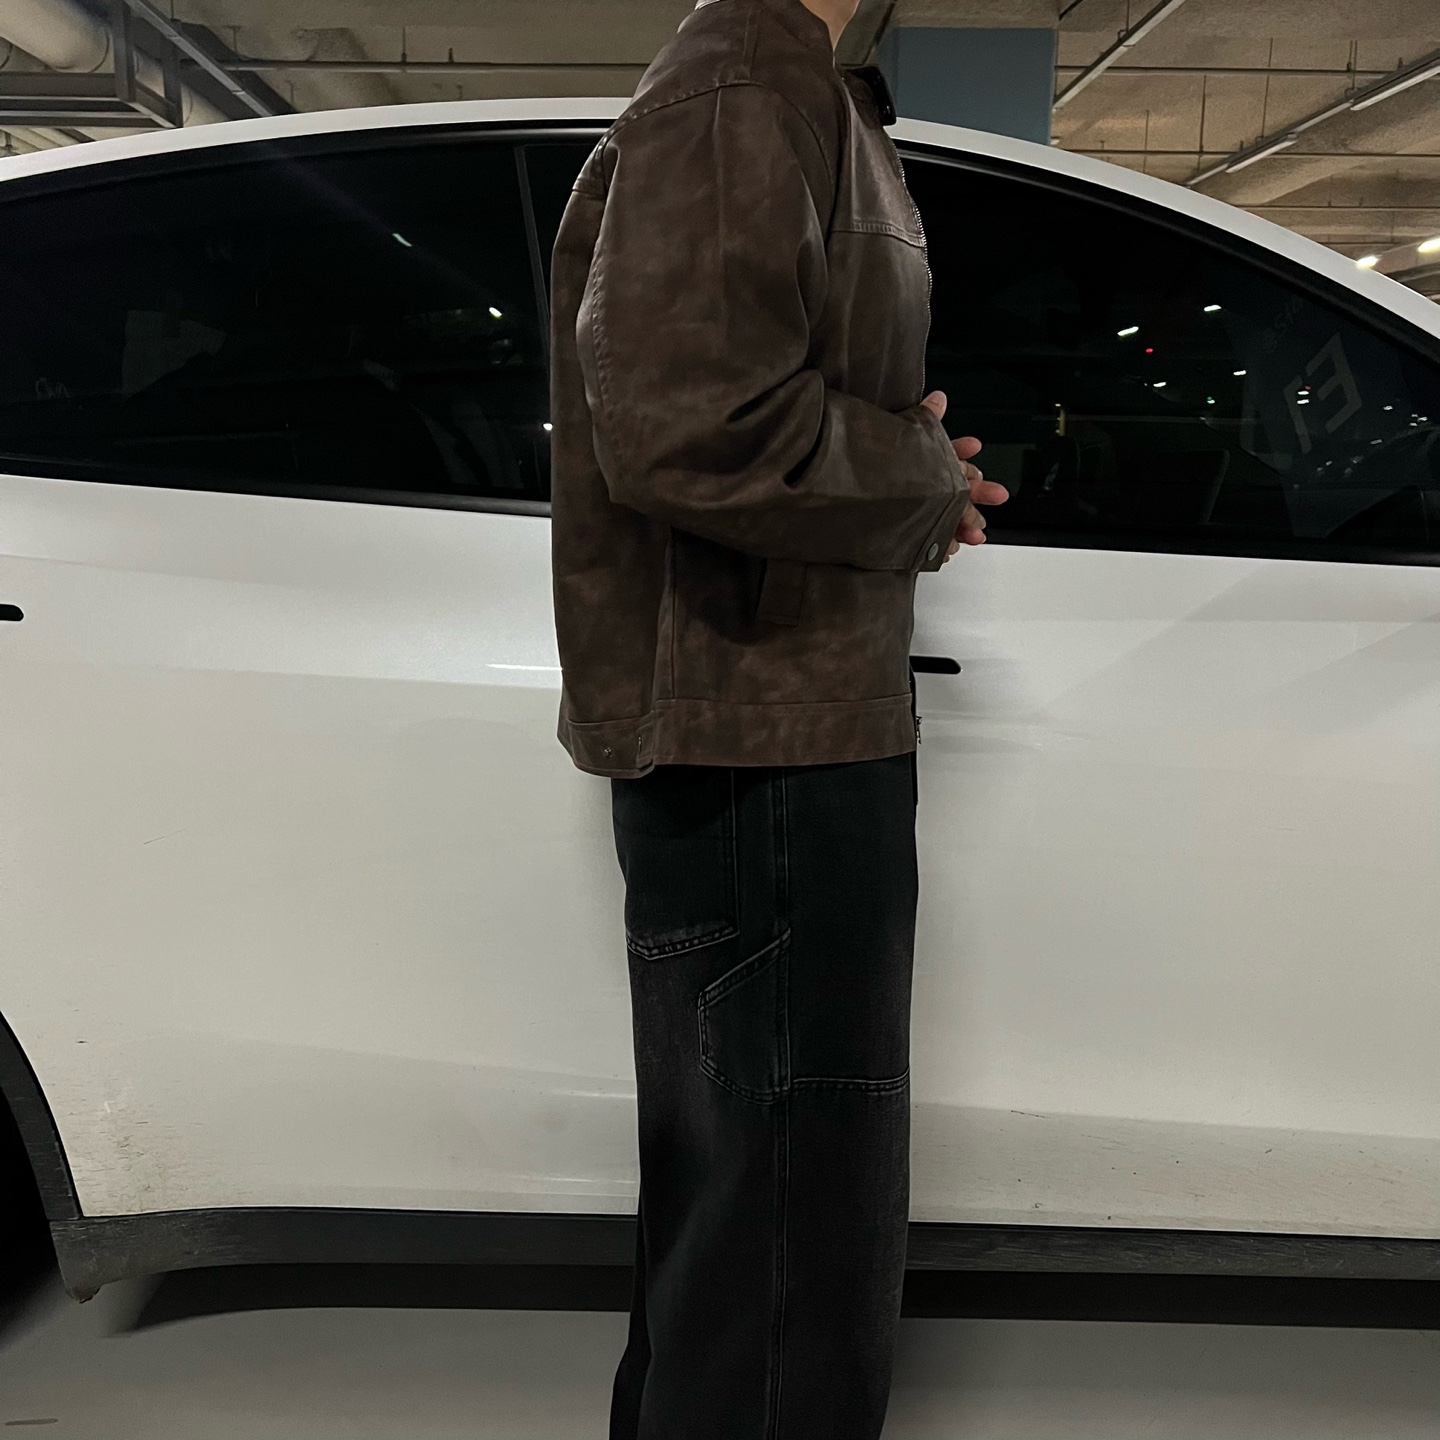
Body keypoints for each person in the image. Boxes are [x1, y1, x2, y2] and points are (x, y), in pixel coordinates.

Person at [548, 0, 1007, 1434]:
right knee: (782, 1223)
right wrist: (919, 479)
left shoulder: (800, 86)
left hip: (788, 709)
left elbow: (749, 399)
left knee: (757, 1217)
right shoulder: (746, 84)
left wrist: (905, 461)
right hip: (765, 727)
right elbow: (696, 424)